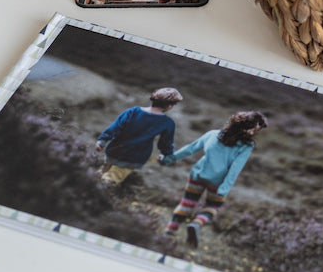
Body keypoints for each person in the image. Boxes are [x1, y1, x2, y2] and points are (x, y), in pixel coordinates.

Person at [160, 110, 267, 247]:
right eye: (252, 129)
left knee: (186, 204)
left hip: (198, 175)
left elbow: (189, 149)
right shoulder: (247, 145)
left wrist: (167, 159)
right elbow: (235, 169)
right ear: (243, 125)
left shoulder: (213, 134)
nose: (253, 133)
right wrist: (224, 188)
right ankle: (196, 224)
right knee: (212, 207)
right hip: (218, 182)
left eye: (256, 131)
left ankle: (168, 234)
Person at [95, 87, 183, 186]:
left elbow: (115, 127)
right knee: (110, 181)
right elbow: (165, 144)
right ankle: (95, 195)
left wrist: (102, 140)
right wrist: (168, 156)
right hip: (133, 157)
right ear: (170, 106)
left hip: (115, 150)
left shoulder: (133, 111)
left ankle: (87, 189)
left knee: (100, 174)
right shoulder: (167, 123)